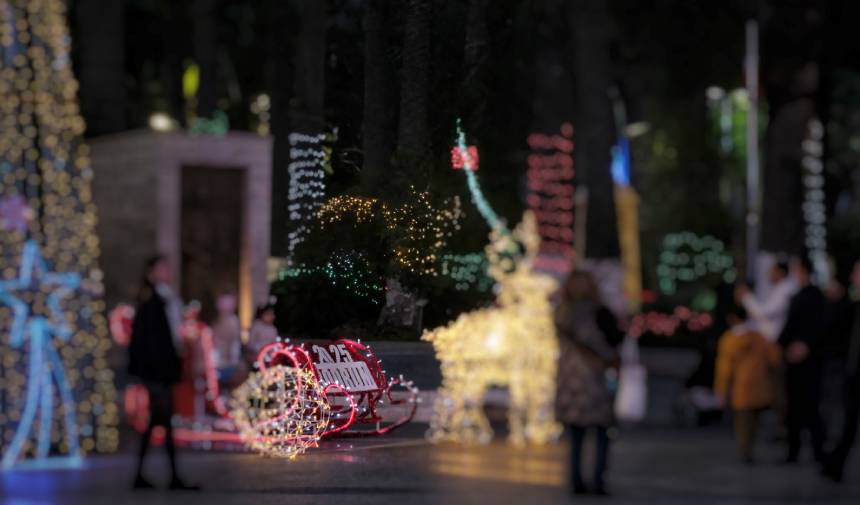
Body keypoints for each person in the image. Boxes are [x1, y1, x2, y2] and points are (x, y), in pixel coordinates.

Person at [128, 256, 198, 491]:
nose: (166, 271)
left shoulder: (166, 298)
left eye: (167, 267)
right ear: (150, 273)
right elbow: (145, 341)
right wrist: (149, 372)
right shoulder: (151, 300)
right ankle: (172, 478)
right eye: (161, 267)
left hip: (163, 371)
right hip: (156, 373)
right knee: (164, 421)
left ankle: (143, 476)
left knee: (158, 423)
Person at [555, 270, 621, 496]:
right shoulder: (597, 312)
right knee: (601, 431)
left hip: (570, 381)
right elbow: (614, 339)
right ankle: (598, 480)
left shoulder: (562, 313)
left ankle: (577, 481)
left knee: (577, 435)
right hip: (595, 378)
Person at [714, 306, 782, 463]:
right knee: (755, 421)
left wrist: (721, 391)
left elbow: (724, 369)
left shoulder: (730, 339)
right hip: (760, 386)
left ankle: (745, 450)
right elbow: (775, 358)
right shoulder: (758, 337)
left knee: (743, 422)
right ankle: (749, 449)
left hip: (741, 388)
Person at [778, 256, 827, 463]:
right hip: (809, 357)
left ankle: (798, 451)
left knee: (801, 408)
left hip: (805, 359)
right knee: (806, 407)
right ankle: (811, 450)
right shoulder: (816, 297)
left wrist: (797, 345)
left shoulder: (807, 297)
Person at [822, 259, 860, 482]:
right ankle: (834, 464)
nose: (853, 276)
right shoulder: (851, 306)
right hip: (852, 376)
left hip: (853, 375)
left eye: (857, 271)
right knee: (846, 423)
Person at [737, 259, 796, 342]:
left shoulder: (785, 289)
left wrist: (746, 297)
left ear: (780, 272)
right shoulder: (780, 288)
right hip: (767, 332)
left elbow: (763, 313)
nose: (769, 273)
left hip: (773, 336)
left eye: (773, 270)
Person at [211, 291, 242, 384]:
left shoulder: (234, 321)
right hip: (216, 361)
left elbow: (235, 342)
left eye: (229, 302)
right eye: (223, 302)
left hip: (229, 363)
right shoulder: (216, 320)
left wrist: (234, 361)